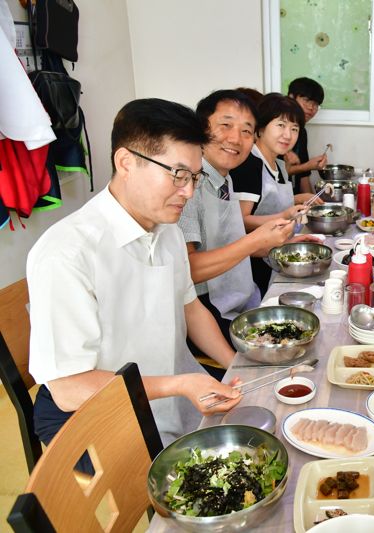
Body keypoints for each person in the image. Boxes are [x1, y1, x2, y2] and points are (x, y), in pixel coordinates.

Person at [27, 99, 244, 460]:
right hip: (93, 415)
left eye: (193, 176)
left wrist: (237, 368)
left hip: (164, 393)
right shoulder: (67, 253)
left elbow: (191, 310)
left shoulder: (166, 228)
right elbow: (68, 388)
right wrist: (180, 384)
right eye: (177, 174)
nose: (188, 191)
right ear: (126, 162)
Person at [178, 90, 296, 347]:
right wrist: (255, 241)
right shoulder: (188, 185)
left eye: (245, 131)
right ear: (201, 128)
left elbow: (226, 240)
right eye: (225, 125)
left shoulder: (224, 178)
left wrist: (278, 242)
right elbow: (187, 271)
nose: (235, 138)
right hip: (205, 309)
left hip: (237, 293)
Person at [231, 93, 321, 295]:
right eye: (281, 125)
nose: (288, 135)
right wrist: (284, 215)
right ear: (261, 128)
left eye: (294, 128)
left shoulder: (279, 165)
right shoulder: (250, 164)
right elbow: (240, 220)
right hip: (253, 266)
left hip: (276, 253)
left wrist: (298, 200)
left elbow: (269, 200)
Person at [285, 77, 328, 194]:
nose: (311, 108)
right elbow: (272, 175)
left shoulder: (302, 132)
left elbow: (303, 176)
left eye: (315, 104)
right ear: (291, 97)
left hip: (293, 199)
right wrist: (307, 166)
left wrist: (312, 205)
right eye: (306, 100)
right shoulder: (275, 130)